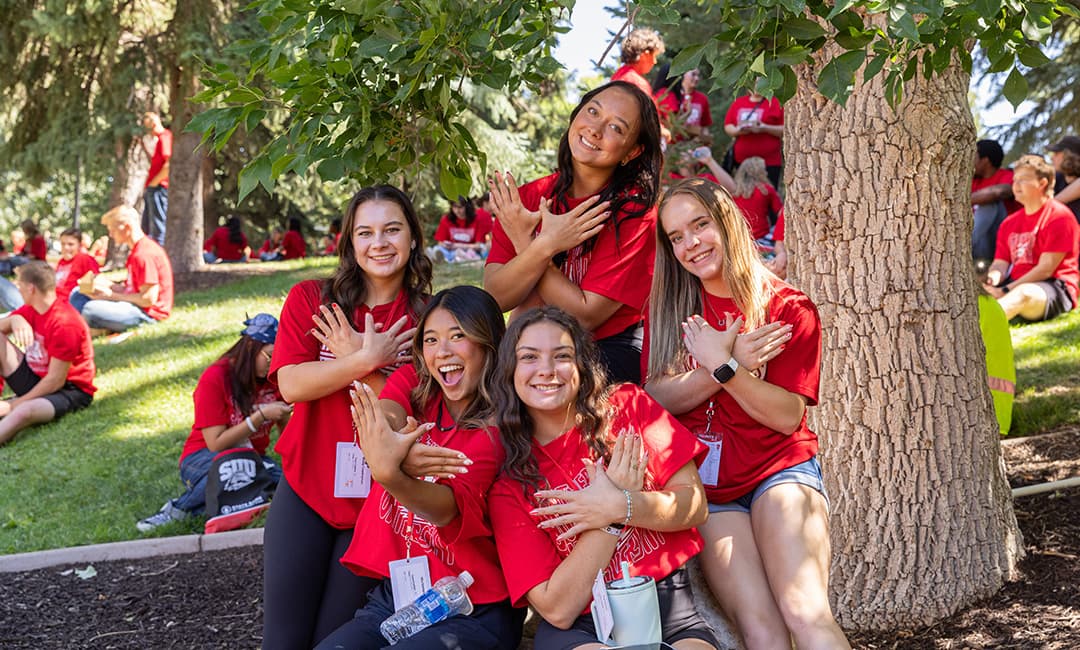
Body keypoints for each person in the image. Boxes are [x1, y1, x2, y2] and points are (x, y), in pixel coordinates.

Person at [644, 178, 850, 649]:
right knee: (761, 630)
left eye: (700, 225)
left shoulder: (787, 306)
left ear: (729, 222)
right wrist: (719, 368)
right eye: (676, 237)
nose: (690, 244)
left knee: (803, 611)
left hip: (779, 470)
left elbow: (785, 416)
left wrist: (727, 367)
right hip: (711, 489)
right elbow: (656, 397)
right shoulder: (671, 308)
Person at [487, 307, 717, 649]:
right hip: (581, 624)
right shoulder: (510, 485)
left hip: (667, 608)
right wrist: (609, 518)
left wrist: (623, 504)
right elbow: (557, 609)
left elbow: (695, 506)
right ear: (510, 371)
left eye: (562, 355)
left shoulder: (628, 407)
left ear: (581, 365)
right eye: (529, 357)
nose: (547, 370)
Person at [262, 185, 432, 649]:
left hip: (378, 502)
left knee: (332, 640)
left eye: (392, 229)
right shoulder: (312, 299)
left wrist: (354, 360)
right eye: (366, 232)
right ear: (350, 243)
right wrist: (362, 360)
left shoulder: (427, 321)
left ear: (413, 237)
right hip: (307, 487)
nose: (379, 243)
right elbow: (292, 385)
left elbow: (412, 413)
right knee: (283, 638)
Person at [316, 286, 524, 649]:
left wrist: (390, 473)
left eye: (458, 335)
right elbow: (385, 413)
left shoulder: (500, 427)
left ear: (490, 342)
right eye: (431, 339)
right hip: (401, 596)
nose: (442, 351)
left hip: (474, 608)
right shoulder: (419, 384)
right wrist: (391, 443)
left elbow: (445, 508)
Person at [484, 80, 663, 384]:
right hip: (530, 342)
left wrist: (528, 243)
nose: (595, 129)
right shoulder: (530, 198)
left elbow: (586, 316)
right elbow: (495, 298)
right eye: (592, 111)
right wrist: (544, 246)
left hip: (605, 346)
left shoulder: (635, 214)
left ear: (632, 152)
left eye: (616, 128)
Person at [136, 314, 291, 531]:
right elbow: (215, 443)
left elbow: (287, 439)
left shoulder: (273, 379)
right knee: (238, 470)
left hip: (254, 458)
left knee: (282, 484)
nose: (273, 364)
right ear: (250, 348)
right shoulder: (216, 378)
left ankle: (219, 505)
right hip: (202, 457)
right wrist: (259, 418)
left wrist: (285, 421)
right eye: (269, 356)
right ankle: (177, 510)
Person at [0, 261, 96, 446]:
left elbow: (55, 381)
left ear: (31, 288)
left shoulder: (65, 323)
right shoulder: (33, 309)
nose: (18, 291)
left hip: (68, 391)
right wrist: (15, 320)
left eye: (19, 286)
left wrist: (14, 404)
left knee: (24, 411)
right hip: (37, 378)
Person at [983, 154, 1080, 322]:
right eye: (1015, 180)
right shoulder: (1009, 223)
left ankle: (981, 327)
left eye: (1023, 180)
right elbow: (1001, 262)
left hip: (1054, 286)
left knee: (1023, 293)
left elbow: (1046, 269)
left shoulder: (1060, 216)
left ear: (1042, 183)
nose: (1016, 185)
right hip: (1013, 283)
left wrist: (1005, 290)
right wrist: (993, 279)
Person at [69, 205, 174, 333]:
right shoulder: (136, 251)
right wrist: (108, 285)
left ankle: (89, 327)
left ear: (126, 226)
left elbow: (148, 299)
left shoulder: (144, 254)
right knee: (77, 294)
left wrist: (110, 296)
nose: (110, 234)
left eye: (112, 229)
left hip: (148, 315)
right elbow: (132, 290)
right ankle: (87, 327)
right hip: (134, 306)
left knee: (90, 310)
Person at [971, 139, 1020, 264]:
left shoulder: (1007, 176)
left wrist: (962, 201)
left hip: (997, 242)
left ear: (985, 161)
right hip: (978, 244)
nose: (970, 161)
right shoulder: (973, 181)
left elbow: (1000, 192)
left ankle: (965, 245)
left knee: (990, 202)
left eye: (974, 156)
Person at [724, 90, 784, 189]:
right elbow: (728, 125)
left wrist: (764, 128)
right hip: (742, 161)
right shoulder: (738, 102)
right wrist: (737, 130)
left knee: (767, 192)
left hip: (769, 162)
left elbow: (785, 129)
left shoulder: (775, 102)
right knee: (743, 192)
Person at [427, 196, 493, 263]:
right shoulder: (446, 219)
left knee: (469, 253)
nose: (457, 211)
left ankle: (446, 258)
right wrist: (446, 245)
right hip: (450, 250)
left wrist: (457, 246)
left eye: (460, 207)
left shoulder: (477, 220)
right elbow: (440, 242)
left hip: (469, 250)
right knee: (437, 248)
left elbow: (478, 245)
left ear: (467, 207)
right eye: (454, 207)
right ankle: (441, 257)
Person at [732, 156, 783, 240]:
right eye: (765, 169)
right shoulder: (766, 190)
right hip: (761, 236)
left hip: (738, 237)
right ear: (761, 172)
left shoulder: (733, 191)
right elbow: (781, 213)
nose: (767, 172)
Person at [655, 68, 712, 143]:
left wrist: (705, 140)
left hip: (693, 145)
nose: (697, 78)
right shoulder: (672, 96)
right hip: (672, 143)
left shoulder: (702, 99)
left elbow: (704, 126)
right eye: (693, 74)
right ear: (683, 74)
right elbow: (671, 123)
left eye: (698, 75)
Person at [141, 111, 172, 246]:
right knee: (147, 226)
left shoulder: (165, 137)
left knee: (158, 226)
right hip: (154, 187)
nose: (149, 132)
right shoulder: (160, 140)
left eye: (148, 127)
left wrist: (153, 184)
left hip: (158, 188)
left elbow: (168, 164)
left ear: (154, 123)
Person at [54, 228, 101, 302]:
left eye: (70, 244)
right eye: (63, 244)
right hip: (56, 299)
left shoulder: (85, 259)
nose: (66, 247)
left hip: (71, 301)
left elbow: (97, 281)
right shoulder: (62, 261)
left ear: (79, 245)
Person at [1048, 136, 1080, 221]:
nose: (1052, 158)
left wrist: (1049, 205)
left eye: (1056, 153)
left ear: (1069, 155)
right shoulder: (1056, 179)